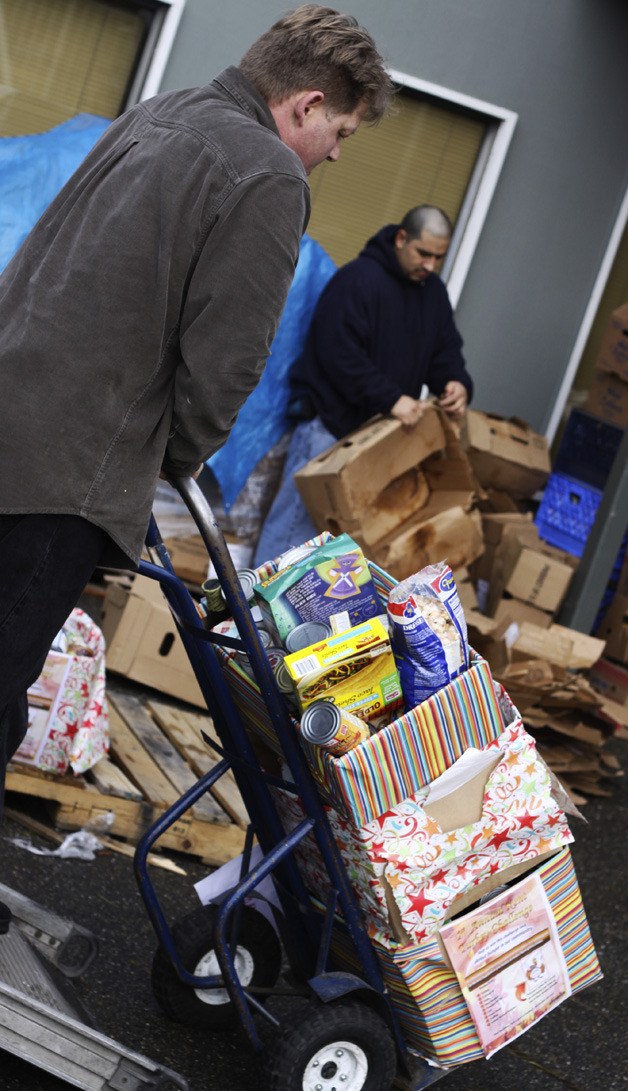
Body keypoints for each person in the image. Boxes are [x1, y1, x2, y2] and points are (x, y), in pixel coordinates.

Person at [0, 3, 392, 888]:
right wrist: (174, 452)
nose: (337, 154)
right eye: (341, 131)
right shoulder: (267, 174)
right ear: (306, 104)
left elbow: (43, 253)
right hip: (68, 467)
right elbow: (228, 360)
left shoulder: (161, 112)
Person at [253, 204, 473, 565]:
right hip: (329, 431)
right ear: (401, 239)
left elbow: (444, 351)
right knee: (291, 536)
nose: (430, 265)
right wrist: (391, 399)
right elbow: (337, 353)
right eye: (423, 253)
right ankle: (255, 603)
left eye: (439, 258)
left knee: (335, 551)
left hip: (381, 444)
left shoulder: (433, 294)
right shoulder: (357, 280)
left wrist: (456, 383)